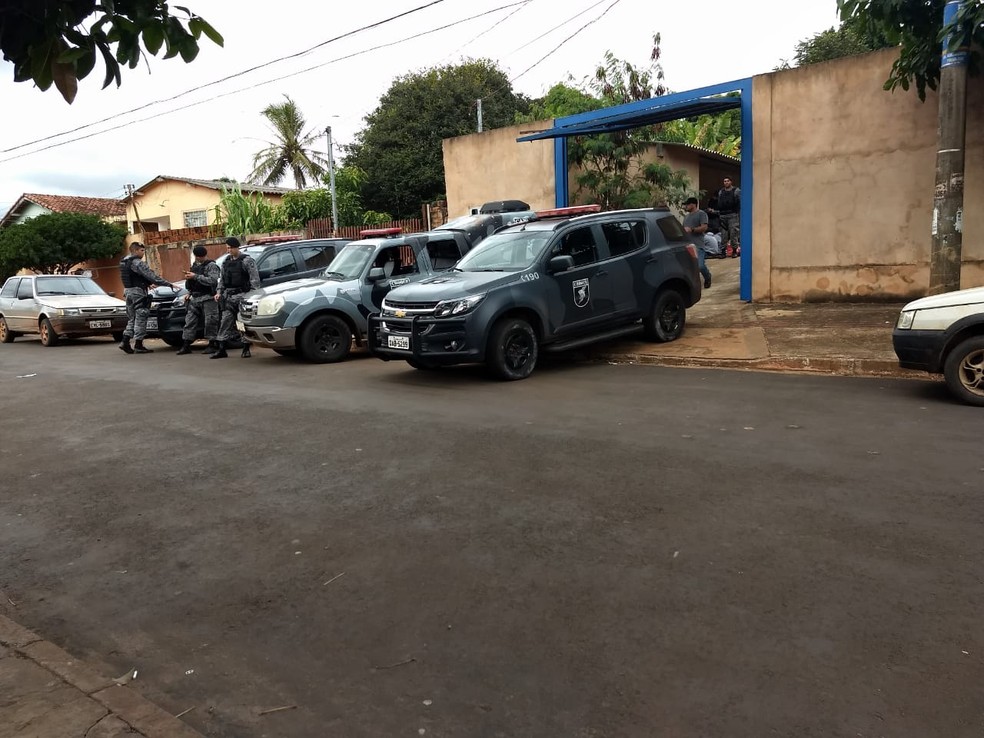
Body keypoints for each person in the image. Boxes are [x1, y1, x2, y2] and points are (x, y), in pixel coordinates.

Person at [211, 237, 260, 359]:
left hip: (242, 297)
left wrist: (251, 296)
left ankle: (245, 348)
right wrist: (219, 292)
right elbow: (222, 280)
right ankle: (222, 349)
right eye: (227, 248)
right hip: (229, 297)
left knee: (241, 323)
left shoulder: (247, 261)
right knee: (225, 322)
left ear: (236, 247)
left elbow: (255, 280)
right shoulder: (226, 261)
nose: (228, 251)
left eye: (230, 248)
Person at [118, 242, 171, 354]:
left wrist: (147, 283)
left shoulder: (124, 261)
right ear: (135, 250)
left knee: (132, 318)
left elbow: (135, 276)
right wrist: (168, 284)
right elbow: (151, 276)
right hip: (138, 292)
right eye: (142, 251)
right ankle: (138, 344)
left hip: (128, 291)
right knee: (141, 317)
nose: (143, 253)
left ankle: (125, 341)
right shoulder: (137, 262)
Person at [176, 244, 220, 355]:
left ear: (200, 256)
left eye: (197, 256)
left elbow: (213, 280)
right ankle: (186, 344)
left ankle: (212, 344)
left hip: (208, 297)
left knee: (210, 321)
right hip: (195, 298)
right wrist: (189, 293)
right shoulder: (195, 265)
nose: (196, 258)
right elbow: (193, 283)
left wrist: (195, 276)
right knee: (189, 321)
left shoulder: (211, 266)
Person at [682, 197, 713, 289]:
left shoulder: (701, 214)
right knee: (689, 268)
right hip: (688, 246)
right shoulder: (686, 217)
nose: (686, 206)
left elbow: (704, 227)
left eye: (687, 204)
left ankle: (708, 277)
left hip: (698, 245)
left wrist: (692, 229)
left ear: (693, 204)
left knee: (700, 266)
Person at [716, 177, 741, 257]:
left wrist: (738, 213)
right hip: (723, 215)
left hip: (733, 215)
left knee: (733, 233)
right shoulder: (721, 192)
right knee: (723, 234)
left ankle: (734, 251)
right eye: (724, 181)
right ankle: (723, 251)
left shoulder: (736, 191)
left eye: (728, 181)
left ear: (731, 182)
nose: (726, 182)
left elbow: (739, 202)